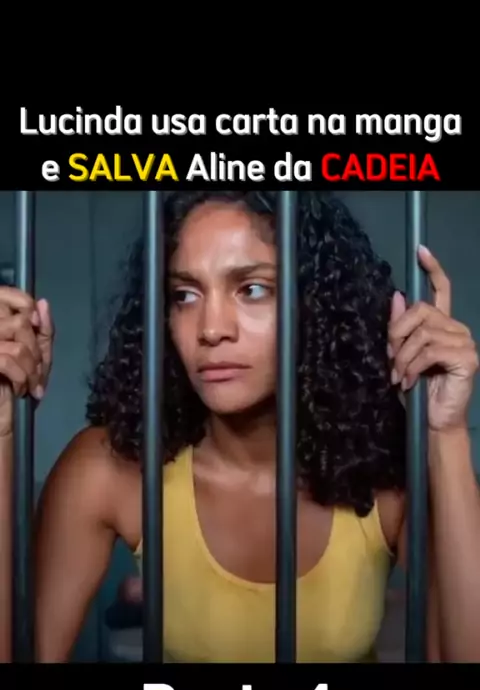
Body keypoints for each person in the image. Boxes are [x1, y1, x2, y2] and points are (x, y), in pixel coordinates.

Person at [0, 190, 479, 664]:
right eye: (185, 295)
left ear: (315, 303)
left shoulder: (384, 470)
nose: (211, 329)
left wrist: (446, 432)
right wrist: (1, 431)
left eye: (252, 290)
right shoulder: (109, 468)